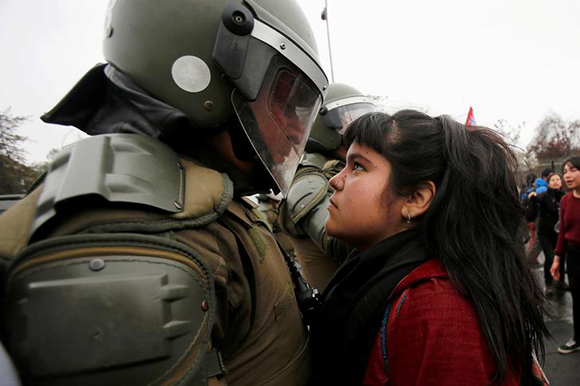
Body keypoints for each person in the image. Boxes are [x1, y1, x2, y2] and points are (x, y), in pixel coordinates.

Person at [0, 0, 328, 384]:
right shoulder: (136, 229)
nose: (292, 127)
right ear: (203, 71)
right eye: (283, 100)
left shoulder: (205, 194)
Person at [310, 111, 548, 385]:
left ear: (416, 198)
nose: (335, 180)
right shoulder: (382, 274)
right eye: (344, 165)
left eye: (358, 167)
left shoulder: (436, 308)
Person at [279, 83, 375, 291]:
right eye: (349, 120)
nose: (360, 129)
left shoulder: (343, 170)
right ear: (323, 125)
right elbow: (343, 242)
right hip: (342, 315)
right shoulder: (307, 182)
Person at [551, 157, 580, 354]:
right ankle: (578, 338)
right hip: (574, 255)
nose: (567, 175)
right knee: (578, 296)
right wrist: (557, 258)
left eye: (572, 170)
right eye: (565, 171)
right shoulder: (565, 200)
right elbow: (562, 231)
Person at [527, 172, 566, 293]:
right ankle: (548, 283)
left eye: (558, 179)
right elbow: (534, 199)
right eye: (552, 180)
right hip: (545, 233)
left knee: (561, 258)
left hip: (560, 234)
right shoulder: (544, 196)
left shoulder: (565, 196)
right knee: (550, 258)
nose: (556, 181)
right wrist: (532, 196)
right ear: (548, 183)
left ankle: (560, 281)